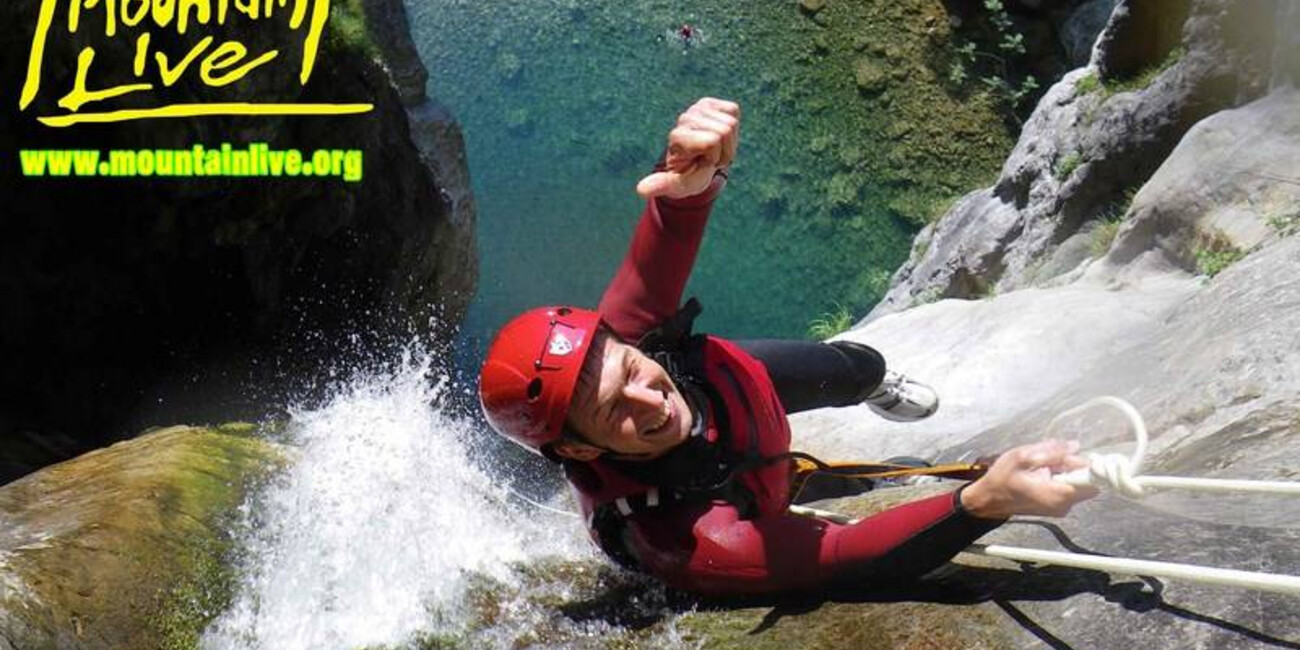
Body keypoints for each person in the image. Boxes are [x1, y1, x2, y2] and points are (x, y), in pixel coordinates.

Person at [479, 97, 1098, 596]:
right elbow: (840, 558)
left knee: (858, 367)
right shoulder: (689, 539)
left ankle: (877, 386)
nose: (651, 398)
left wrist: (696, 175)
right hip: (735, 475)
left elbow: (668, 233)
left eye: (635, 369)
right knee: (809, 432)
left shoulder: (622, 341)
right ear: (581, 447)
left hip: (739, 391)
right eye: (616, 408)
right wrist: (982, 503)